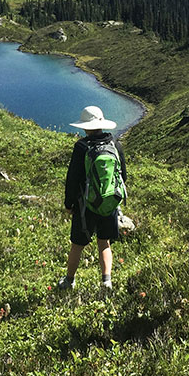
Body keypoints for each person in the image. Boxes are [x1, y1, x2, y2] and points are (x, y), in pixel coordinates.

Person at [57, 106, 127, 291]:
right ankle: (106, 282)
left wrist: (69, 203)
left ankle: (69, 281)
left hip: (85, 205)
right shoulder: (115, 144)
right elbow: (123, 177)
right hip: (109, 203)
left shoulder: (82, 147)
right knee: (104, 243)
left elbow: (73, 178)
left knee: (77, 245)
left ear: (86, 126)